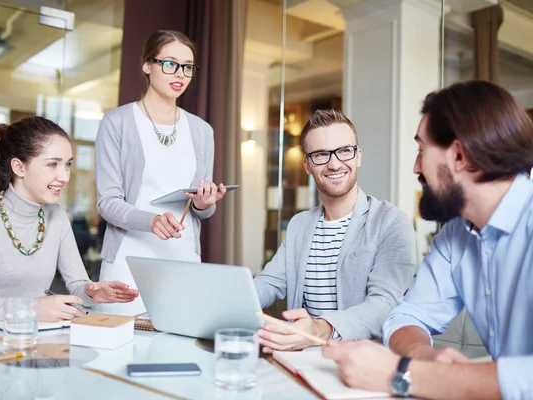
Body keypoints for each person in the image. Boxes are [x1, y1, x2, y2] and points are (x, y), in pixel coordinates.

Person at [322, 80, 533, 399]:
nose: (415, 166)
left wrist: (407, 375)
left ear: (459, 156)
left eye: (421, 149)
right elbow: (406, 316)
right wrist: (424, 357)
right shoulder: (456, 235)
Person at [0, 117, 139, 325]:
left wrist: (92, 292)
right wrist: (27, 309)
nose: (65, 176)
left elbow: (77, 284)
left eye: (67, 165)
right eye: (52, 164)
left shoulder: (57, 217)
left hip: (33, 344)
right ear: (19, 167)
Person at [253, 109, 416, 352]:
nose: (334, 163)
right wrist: (231, 303)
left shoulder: (391, 222)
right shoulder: (299, 224)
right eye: (320, 154)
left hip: (363, 363)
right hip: (302, 359)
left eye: (343, 151)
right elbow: (270, 282)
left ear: (357, 156)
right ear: (307, 164)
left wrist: (320, 329)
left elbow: (384, 305)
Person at [95, 30, 226, 315]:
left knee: (179, 351)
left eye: (188, 67)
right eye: (170, 63)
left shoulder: (203, 131)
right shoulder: (117, 122)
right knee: (119, 353)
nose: (180, 73)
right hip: (128, 260)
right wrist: (152, 221)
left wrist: (205, 203)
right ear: (147, 65)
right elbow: (107, 202)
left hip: (183, 260)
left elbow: (201, 209)